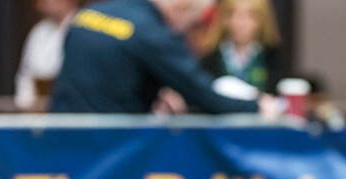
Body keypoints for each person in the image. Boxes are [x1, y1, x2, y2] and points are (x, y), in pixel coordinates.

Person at [50, 0, 274, 114]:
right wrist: (257, 107)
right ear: (181, 7)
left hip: (60, 143)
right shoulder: (154, 33)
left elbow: (108, 76)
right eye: (190, 23)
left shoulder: (89, 13)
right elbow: (204, 96)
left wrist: (156, 90)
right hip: (108, 153)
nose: (183, 32)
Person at [200, 0, 283, 94]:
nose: (240, 23)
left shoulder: (273, 57)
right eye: (232, 14)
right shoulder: (210, 58)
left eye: (249, 16)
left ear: (262, 20)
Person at [15, 0, 79, 111]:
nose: (40, 4)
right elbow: (25, 75)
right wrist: (26, 104)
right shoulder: (39, 32)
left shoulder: (84, 30)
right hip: (38, 117)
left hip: (72, 113)